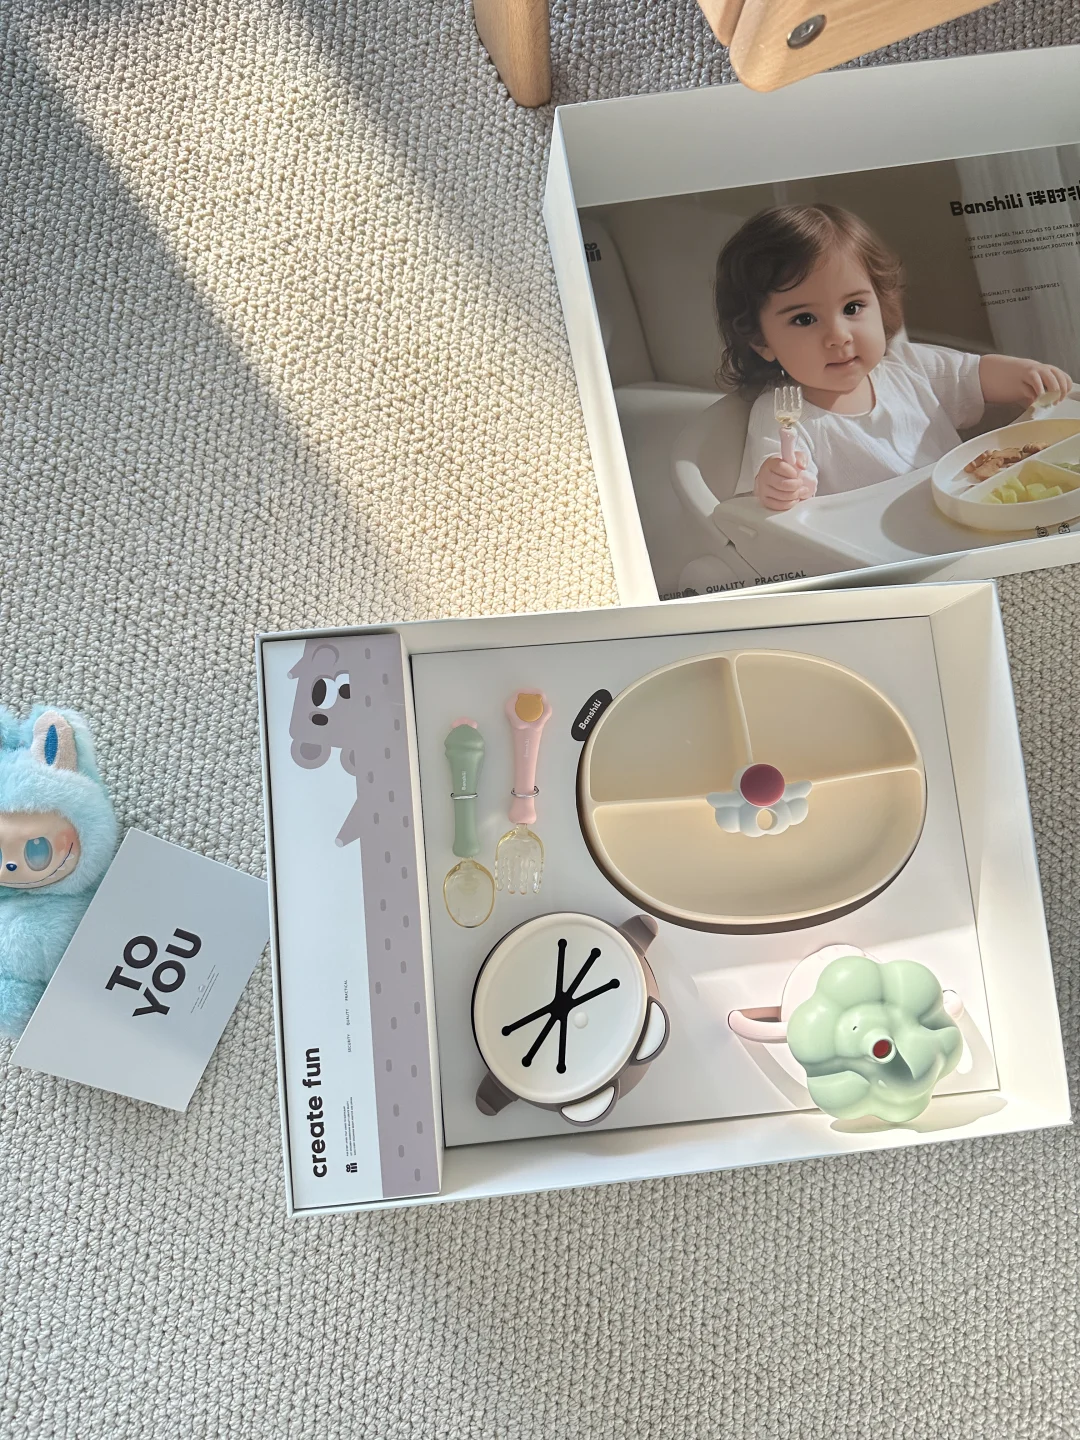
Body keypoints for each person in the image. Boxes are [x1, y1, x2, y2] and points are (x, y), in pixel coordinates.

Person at [715, 204, 1074, 511]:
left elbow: (973, 375)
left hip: (966, 511)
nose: (839, 336)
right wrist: (782, 484)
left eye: (852, 307)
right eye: (804, 319)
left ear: (880, 301)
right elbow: (778, 479)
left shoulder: (909, 367)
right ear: (760, 340)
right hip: (877, 547)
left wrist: (1027, 374)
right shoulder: (784, 414)